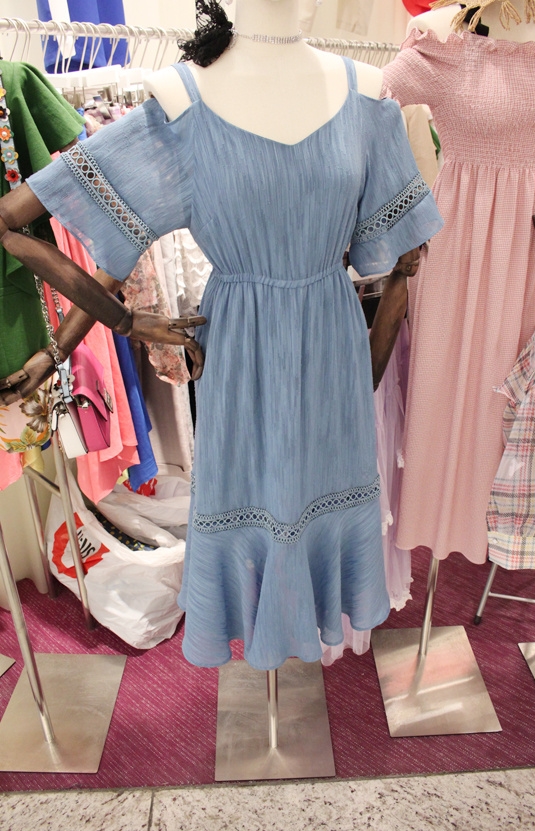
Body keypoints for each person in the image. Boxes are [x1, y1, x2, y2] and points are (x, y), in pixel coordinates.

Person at [0, 0, 442, 670]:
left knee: (322, 494)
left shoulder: (367, 93)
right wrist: (108, 327)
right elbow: (12, 218)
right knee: (250, 495)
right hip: (240, 347)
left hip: (331, 346)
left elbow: (402, 262)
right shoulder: (182, 102)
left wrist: (366, 375)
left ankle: (302, 630)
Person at [380, 0, 535, 566]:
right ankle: (436, 520)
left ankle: (494, 530)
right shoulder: (443, 40)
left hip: (533, 251)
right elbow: (367, 112)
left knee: (510, 399)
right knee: (447, 384)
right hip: (459, 249)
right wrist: (399, 211)